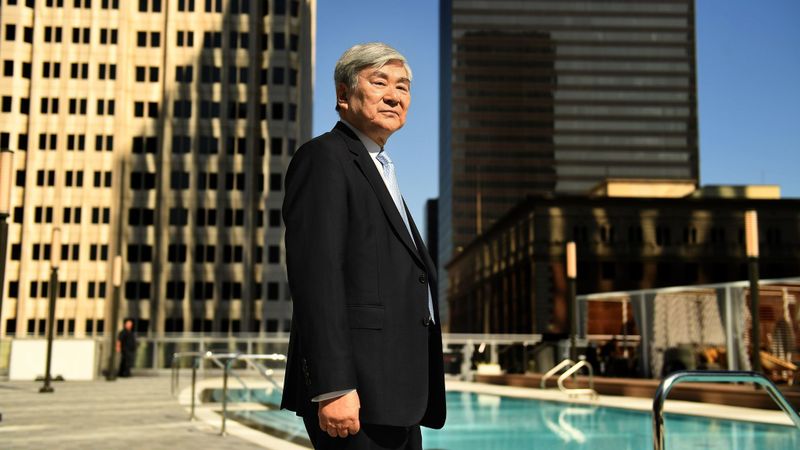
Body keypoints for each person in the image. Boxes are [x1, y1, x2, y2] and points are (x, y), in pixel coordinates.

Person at [280, 42, 446, 449]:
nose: (394, 95)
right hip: (355, 393)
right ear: (343, 95)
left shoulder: (380, 166)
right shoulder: (323, 159)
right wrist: (333, 386)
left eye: (403, 87)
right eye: (380, 82)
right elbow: (317, 279)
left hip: (397, 394)